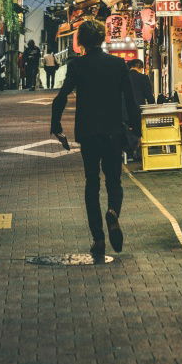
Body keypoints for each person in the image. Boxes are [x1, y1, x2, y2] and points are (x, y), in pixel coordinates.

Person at [50, 19, 140, 257]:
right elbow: (131, 100)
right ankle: (112, 212)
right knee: (114, 181)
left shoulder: (77, 66)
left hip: (88, 132)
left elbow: (61, 97)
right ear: (102, 39)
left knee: (92, 182)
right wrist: (137, 130)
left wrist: (56, 125)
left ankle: (98, 238)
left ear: (81, 41)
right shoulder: (118, 65)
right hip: (113, 131)